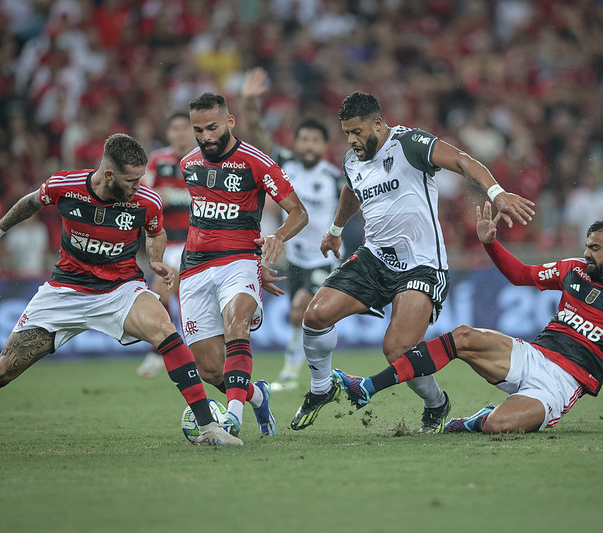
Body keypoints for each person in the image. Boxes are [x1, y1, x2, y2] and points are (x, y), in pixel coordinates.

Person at [0, 133, 242, 447]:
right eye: (130, 180)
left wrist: (155, 259)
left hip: (120, 289)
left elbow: (157, 232)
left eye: (140, 179)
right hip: (65, 291)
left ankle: (209, 428)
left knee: (166, 329)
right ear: (108, 174)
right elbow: (30, 202)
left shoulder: (146, 201)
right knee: (3, 368)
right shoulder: (65, 187)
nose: (137, 186)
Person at [290, 92, 535, 433]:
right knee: (314, 316)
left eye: (357, 132)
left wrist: (497, 193)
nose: (351, 140)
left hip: (420, 265)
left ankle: (437, 403)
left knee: (398, 348)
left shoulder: (409, 143)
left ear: (378, 123)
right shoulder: (351, 160)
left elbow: (463, 160)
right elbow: (351, 190)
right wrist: (336, 229)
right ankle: (321, 388)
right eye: (346, 133)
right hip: (374, 257)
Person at [333, 206, 603, 434]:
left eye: (595, 248)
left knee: (500, 426)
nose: (586, 252)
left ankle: (478, 419)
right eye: (586, 245)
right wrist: (491, 244)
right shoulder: (574, 270)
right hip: (534, 355)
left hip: (560, 385)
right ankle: (367, 387)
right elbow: (521, 274)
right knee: (464, 336)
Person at [178, 93, 308, 436]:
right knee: (208, 369)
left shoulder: (257, 162)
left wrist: (276, 237)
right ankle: (255, 395)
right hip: (193, 268)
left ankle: (232, 417)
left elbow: (299, 212)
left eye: (212, 127)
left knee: (237, 324)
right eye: (198, 129)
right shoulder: (189, 164)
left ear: (229, 122)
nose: (205, 136)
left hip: (239, 261)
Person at [238, 68, 346, 392]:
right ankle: (317, 368)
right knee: (298, 316)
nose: (308, 144)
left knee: (301, 307)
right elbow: (258, 137)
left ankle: (290, 370)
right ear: (296, 143)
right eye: (303, 139)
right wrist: (247, 103)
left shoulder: (335, 177)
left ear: (325, 145)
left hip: (323, 261)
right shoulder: (285, 164)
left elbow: (354, 208)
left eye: (315, 139)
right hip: (294, 260)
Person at [135, 111, 195, 378]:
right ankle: (160, 350)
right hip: (168, 242)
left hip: (198, 242)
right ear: (169, 134)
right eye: (176, 128)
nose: (181, 132)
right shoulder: (158, 161)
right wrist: (155, 196)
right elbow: (139, 192)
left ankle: (164, 351)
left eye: (185, 128)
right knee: (162, 292)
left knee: (174, 296)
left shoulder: (203, 162)